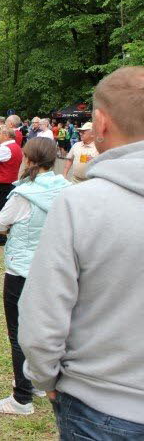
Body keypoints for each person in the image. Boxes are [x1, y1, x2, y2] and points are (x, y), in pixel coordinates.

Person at [19, 66, 144, 438]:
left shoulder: (80, 204)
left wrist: (44, 377)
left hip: (102, 404)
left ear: (101, 122)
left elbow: (43, 314)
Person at [0, 138, 70, 416]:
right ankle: (38, 380)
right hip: (55, 269)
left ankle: (21, 397)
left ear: (30, 160)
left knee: (19, 333)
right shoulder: (66, 189)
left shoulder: (24, 194)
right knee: (48, 327)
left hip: (22, 271)